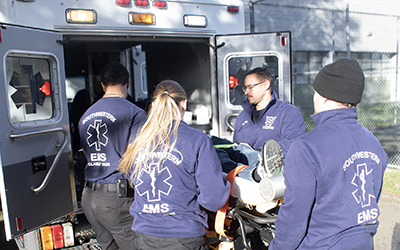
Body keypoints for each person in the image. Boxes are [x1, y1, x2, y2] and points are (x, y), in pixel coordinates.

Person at [269, 59, 388, 250]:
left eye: (315, 92)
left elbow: (294, 215)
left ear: (324, 96)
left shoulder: (307, 147)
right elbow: (371, 195)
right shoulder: (373, 143)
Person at [118, 80, 231, 250]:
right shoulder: (197, 140)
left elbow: (131, 179)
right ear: (184, 103)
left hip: (143, 236)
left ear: (154, 104)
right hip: (184, 237)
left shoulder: (137, 139)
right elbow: (213, 200)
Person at [78, 62, 147, 250]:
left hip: (89, 197)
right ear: (128, 83)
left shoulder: (85, 116)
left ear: (102, 86)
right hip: (115, 199)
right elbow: (138, 156)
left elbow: (86, 152)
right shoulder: (135, 114)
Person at [213, 67, 305, 179]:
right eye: (245, 88)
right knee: (215, 148)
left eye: (250, 87)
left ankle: (258, 170)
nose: (246, 92)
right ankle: (252, 173)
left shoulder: (288, 112)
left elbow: (292, 145)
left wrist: (256, 154)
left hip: (274, 172)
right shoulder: (242, 117)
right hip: (246, 172)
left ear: (266, 85)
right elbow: (237, 149)